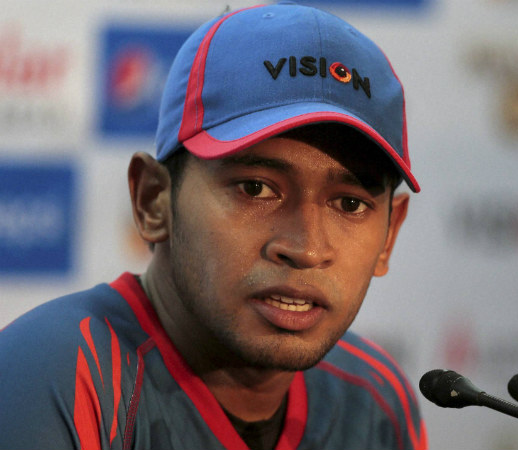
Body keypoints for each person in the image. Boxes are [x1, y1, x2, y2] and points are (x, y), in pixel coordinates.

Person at [0, 3, 427, 449]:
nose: (306, 248)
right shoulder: (53, 381)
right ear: (152, 200)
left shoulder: (376, 402)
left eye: (349, 203)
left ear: (389, 236)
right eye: (256, 189)